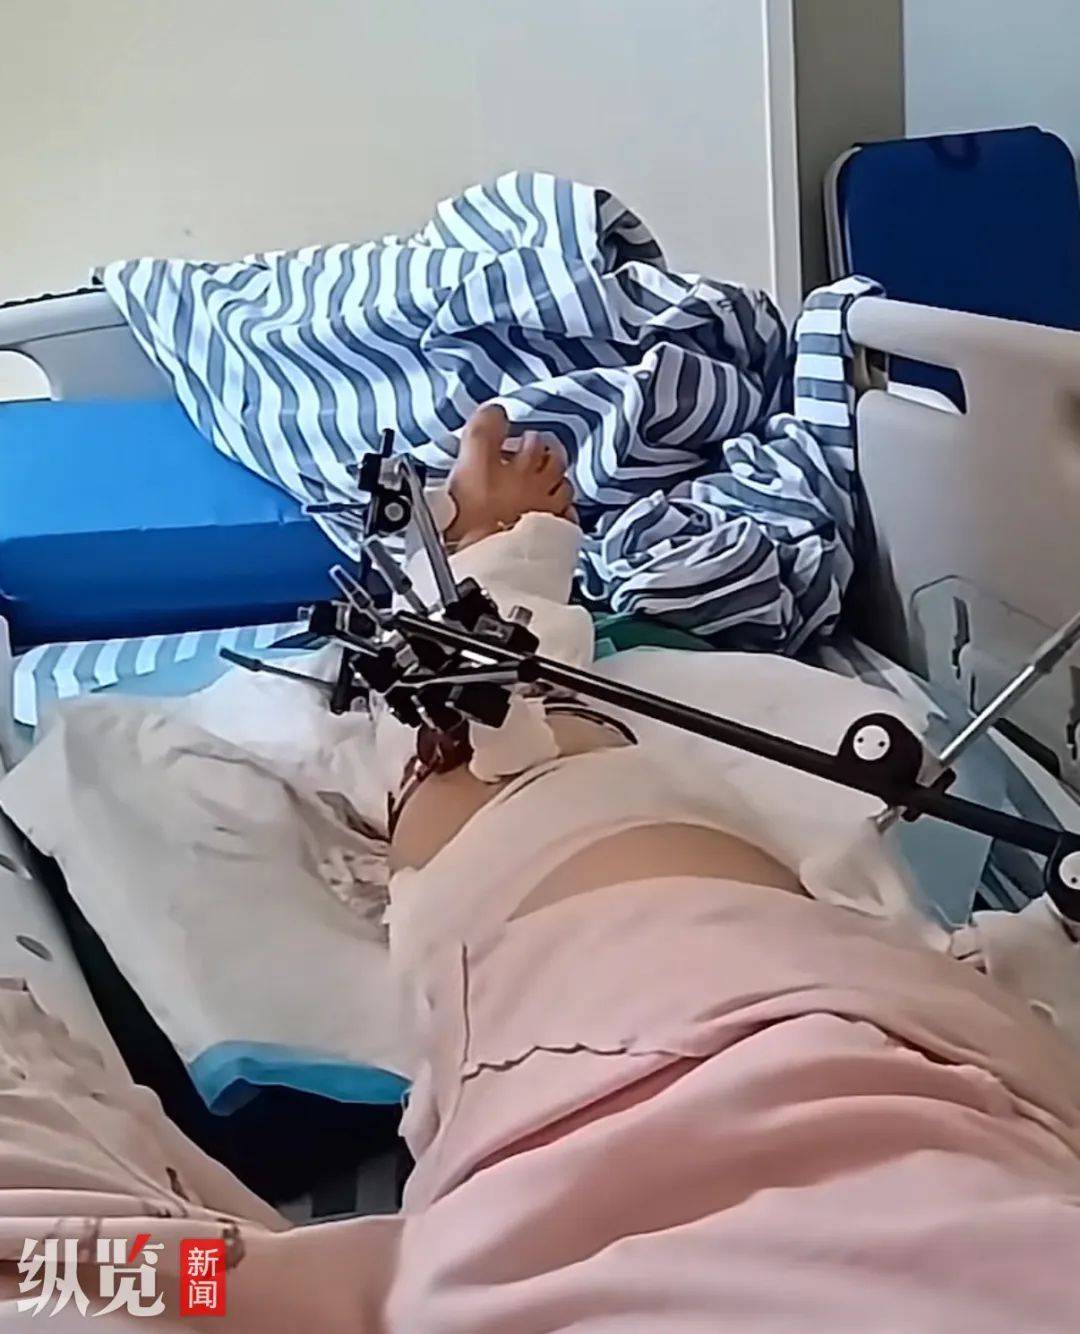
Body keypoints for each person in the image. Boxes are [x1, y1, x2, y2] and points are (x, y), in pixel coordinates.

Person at [4, 406, 1080, 1331]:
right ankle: (482, 618)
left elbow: (161, 1282)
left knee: (499, 775)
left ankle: (476, 623)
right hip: (794, 1041)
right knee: (527, 780)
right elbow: (167, 1281)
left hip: (633, 1067)